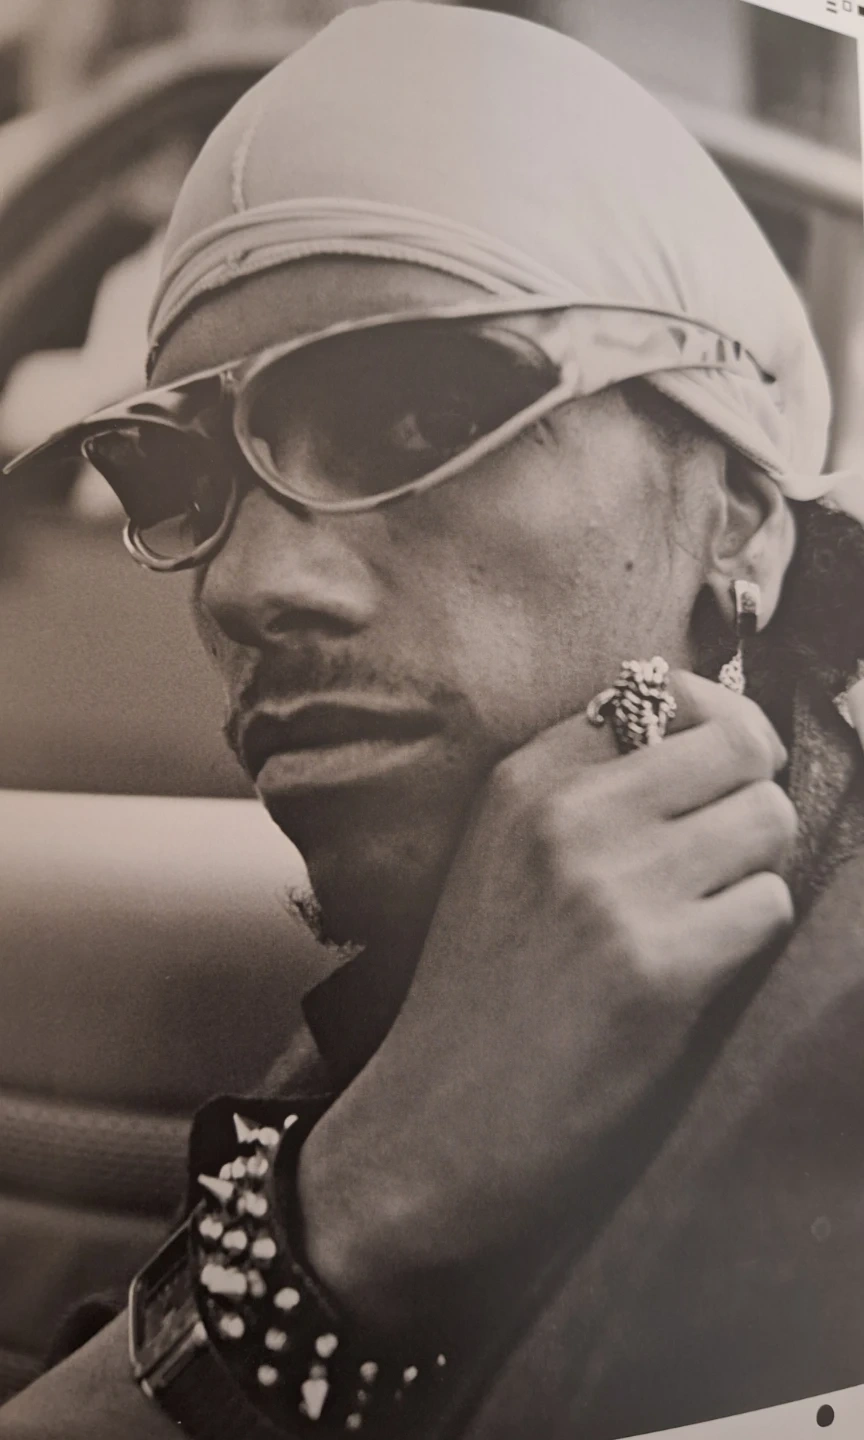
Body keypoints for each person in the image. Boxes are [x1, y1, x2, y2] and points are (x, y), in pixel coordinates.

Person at [4, 4, 864, 1437]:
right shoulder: (446, 976)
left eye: (412, 419)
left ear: (740, 519)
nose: (247, 585)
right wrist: (349, 1211)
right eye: (180, 479)